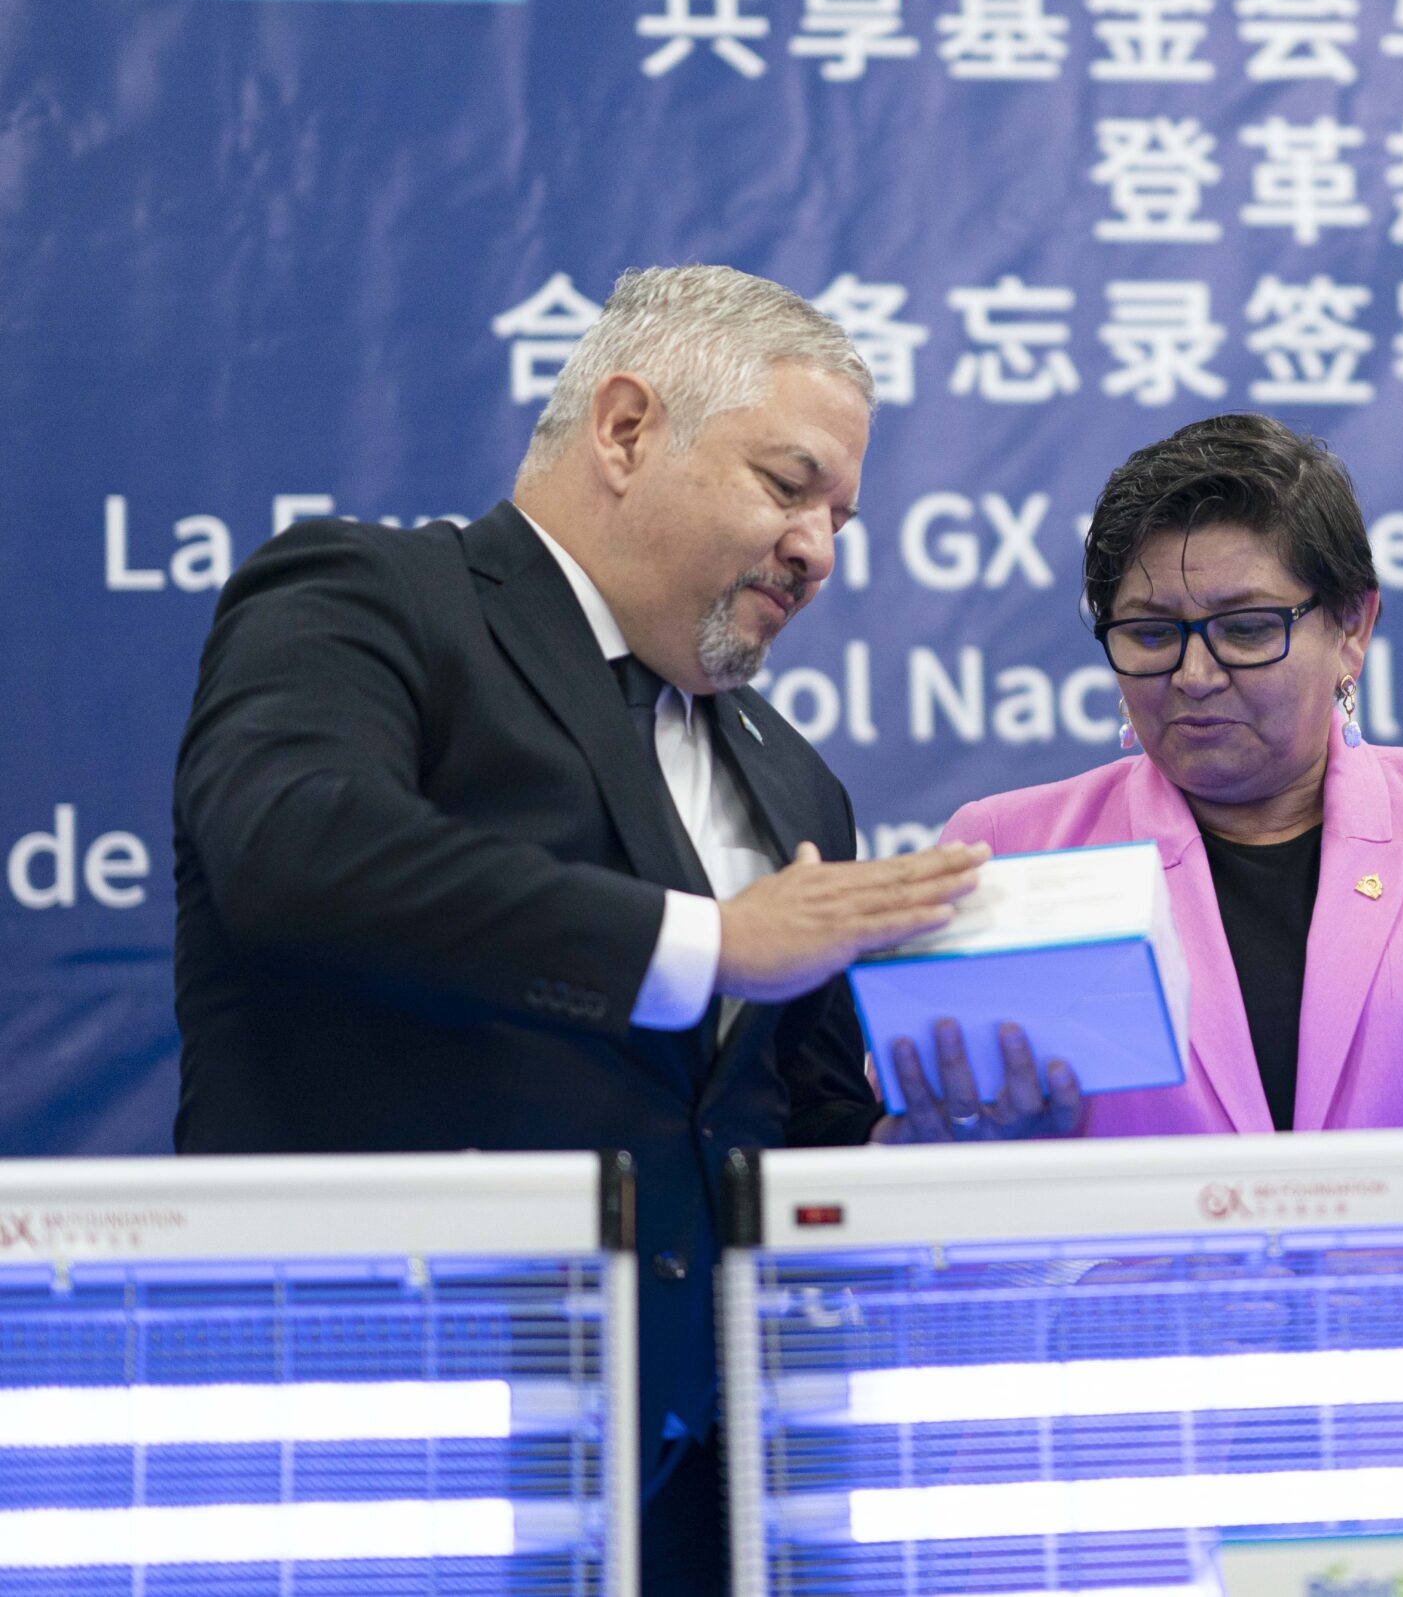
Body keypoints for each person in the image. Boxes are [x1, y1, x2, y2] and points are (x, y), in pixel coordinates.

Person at [171, 265, 1079, 1593]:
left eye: (841, 515)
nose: (821, 550)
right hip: (395, 1459)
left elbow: (792, 1130)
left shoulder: (791, 776)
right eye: (789, 485)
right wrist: (707, 947)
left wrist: (921, 1139)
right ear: (626, 427)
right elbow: (296, 852)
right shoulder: (372, 598)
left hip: (717, 1508)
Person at [939, 412, 1403, 1134]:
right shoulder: (1006, 850)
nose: (1195, 674)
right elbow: (925, 1183)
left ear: (1352, 627)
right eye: (1150, 634)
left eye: (1245, 629)